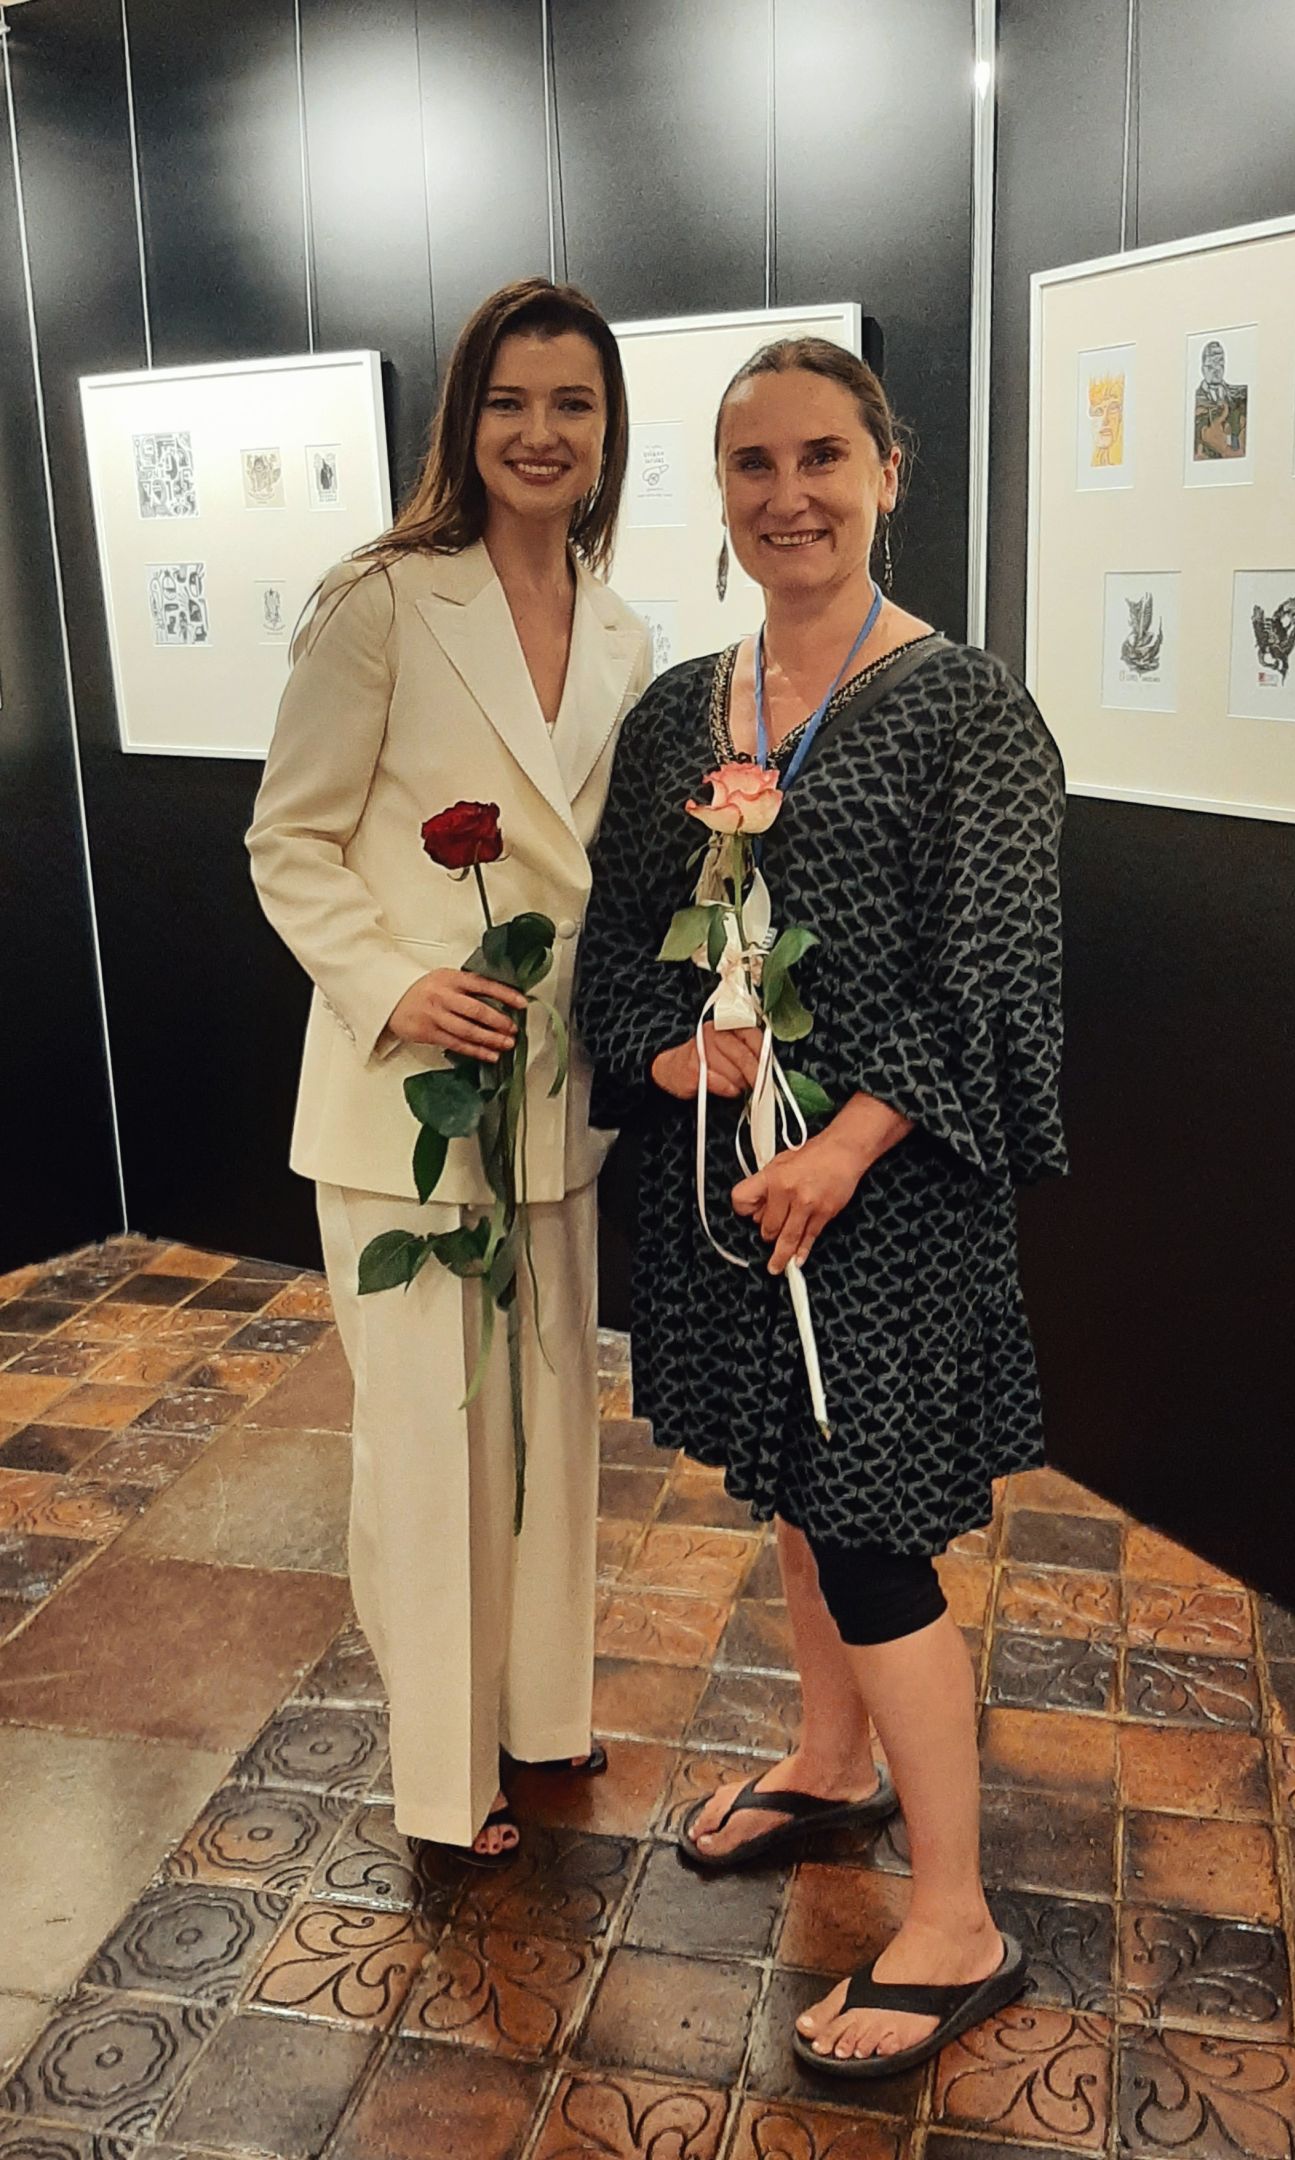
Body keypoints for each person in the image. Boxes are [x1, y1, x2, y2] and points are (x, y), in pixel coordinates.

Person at [576, 337, 1066, 2076]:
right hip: (737, 1183)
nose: (788, 496)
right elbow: (619, 947)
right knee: (793, 1488)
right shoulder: (675, 714)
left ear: (888, 471)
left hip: (889, 1198)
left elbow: (988, 978)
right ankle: (831, 1765)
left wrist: (845, 1147)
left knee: (869, 1529)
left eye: (822, 459)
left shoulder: (966, 710)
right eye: (752, 464)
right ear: (718, 490)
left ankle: (960, 1919)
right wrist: (671, 1059)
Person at [247, 278, 651, 1865]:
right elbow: (288, 840)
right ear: (464, 419)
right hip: (400, 1112)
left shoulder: (625, 632)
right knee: (428, 1446)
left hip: (552, 1106)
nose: (540, 433)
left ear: (609, 432)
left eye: (573, 405)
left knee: (549, 1432)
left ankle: (541, 1714)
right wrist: (396, 984)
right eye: (511, 402)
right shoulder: (383, 601)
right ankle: (438, 1780)